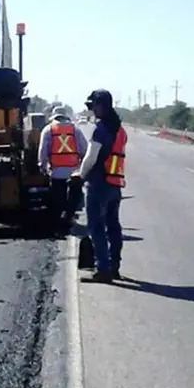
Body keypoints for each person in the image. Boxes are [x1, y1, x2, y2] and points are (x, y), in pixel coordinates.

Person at [76, 89, 128, 282]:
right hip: (115, 184)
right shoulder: (119, 129)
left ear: (101, 105)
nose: (92, 110)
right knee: (113, 226)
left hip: (99, 184)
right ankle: (114, 266)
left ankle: (103, 270)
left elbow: (91, 158)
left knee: (96, 227)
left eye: (93, 106)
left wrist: (80, 176)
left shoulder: (102, 128)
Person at [38, 105, 88, 214]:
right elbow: (84, 150)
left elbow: (43, 151)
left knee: (58, 200)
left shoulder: (48, 129)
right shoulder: (75, 129)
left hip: (56, 173)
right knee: (73, 199)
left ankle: (59, 221)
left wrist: (42, 166)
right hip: (74, 172)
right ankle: (68, 217)